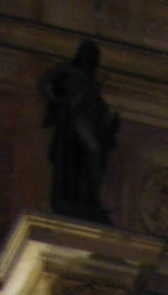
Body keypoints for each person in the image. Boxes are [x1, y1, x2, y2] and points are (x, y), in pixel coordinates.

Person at [40, 41, 119, 223]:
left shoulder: (92, 80)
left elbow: (97, 105)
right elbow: (44, 82)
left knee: (94, 153)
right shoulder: (68, 69)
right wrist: (57, 100)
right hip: (75, 117)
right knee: (93, 151)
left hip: (88, 118)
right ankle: (91, 197)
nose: (92, 61)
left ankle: (91, 197)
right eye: (90, 55)